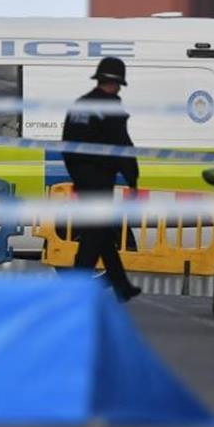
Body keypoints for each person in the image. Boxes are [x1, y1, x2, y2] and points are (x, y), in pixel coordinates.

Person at [61, 56, 143, 302]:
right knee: (95, 235)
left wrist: (77, 175)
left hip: (83, 179)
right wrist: (133, 178)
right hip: (100, 180)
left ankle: (121, 285)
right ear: (116, 83)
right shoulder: (110, 107)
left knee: (102, 232)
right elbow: (122, 145)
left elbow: (67, 146)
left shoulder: (80, 105)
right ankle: (75, 288)